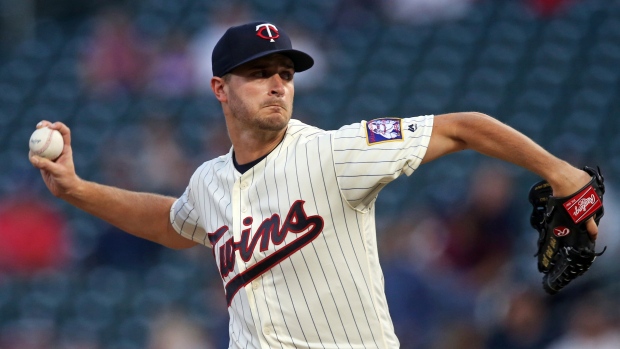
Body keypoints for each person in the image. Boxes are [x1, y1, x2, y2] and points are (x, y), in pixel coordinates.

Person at [29, 21, 600, 349]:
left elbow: (464, 128)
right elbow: (177, 225)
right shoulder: (209, 182)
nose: (278, 84)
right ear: (219, 89)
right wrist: (77, 189)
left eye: (285, 73)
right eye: (258, 73)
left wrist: (565, 175)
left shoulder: (335, 153)